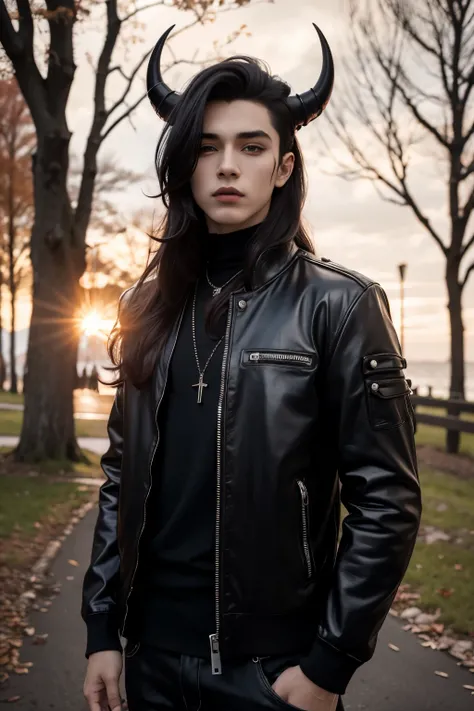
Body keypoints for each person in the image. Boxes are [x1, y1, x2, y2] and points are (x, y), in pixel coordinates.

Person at [82, 22, 421, 711]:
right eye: (206, 148)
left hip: (276, 671)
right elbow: (122, 475)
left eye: (251, 146)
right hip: (148, 660)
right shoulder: (146, 306)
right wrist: (101, 630)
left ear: (284, 166)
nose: (227, 165)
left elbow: (387, 499)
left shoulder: (340, 304)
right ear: (185, 167)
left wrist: (329, 662)